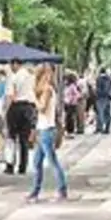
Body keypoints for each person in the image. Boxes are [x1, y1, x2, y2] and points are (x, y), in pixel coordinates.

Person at [26, 65, 69, 202]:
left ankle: (61, 190)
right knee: (37, 162)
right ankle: (35, 192)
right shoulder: (49, 89)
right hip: (43, 129)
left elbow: (42, 108)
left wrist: (34, 99)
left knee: (51, 162)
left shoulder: (47, 90)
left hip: (46, 130)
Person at [4, 60, 37, 175]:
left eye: (11, 65)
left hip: (16, 107)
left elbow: (10, 96)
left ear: (15, 65)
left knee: (11, 138)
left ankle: (10, 165)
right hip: (28, 108)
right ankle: (23, 166)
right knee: (24, 139)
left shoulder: (12, 77)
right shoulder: (31, 77)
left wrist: (6, 111)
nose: (11, 67)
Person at [94, 68, 111, 134]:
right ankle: (107, 129)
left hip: (100, 97)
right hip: (108, 97)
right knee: (107, 113)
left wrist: (97, 94)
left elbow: (98, 88)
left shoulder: (98, 78)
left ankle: (99, 128)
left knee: (99, 113)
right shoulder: (109, 78)